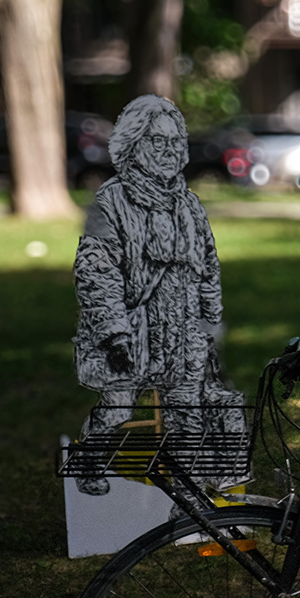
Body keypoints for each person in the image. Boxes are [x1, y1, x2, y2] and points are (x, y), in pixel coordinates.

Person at [73, 95, 244, 493]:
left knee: (188, 417)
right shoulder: (108, 202)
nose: (169, 152)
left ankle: (188, 502)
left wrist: (210, 324)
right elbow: (96, 271)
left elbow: (208, 265)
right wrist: (114, 333)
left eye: (175, 143)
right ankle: (91, 460)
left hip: (184, 333)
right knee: (117, 410)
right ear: (134, 145)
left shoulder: (189, 204)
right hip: (132, 332)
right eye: (157, 142)